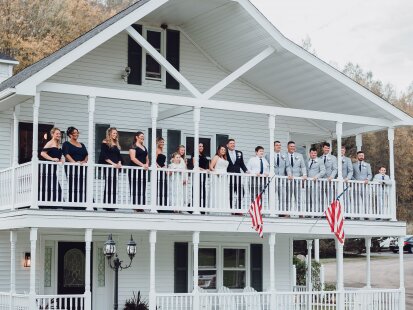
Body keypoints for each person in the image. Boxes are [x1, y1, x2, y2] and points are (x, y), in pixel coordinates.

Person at [62, 127, 88, 203]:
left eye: (77, 133)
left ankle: (83, 202)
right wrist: (75, 163)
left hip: (82, 167)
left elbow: (86, 155)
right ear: (70, 135)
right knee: (73, 185)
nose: (76, 134)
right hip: (72, 168)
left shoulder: (82, 144)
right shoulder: (66, 144)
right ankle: (73, 203)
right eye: (74, 133)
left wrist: (84, 161)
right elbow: (66, 154)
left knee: (83, 185)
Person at [265, 140, 292, 212]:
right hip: (272, 179)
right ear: (273, 146)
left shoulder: (284, 155)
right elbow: (266, 166)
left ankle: (282, 212)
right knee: (271, 196)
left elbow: (288, 166)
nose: (279, 146)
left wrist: (289, 173)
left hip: (282, 179)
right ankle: (271, 211)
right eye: (277, 145)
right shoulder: (268, 155)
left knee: (283, 196)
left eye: (280, 145)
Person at [39, 127, 64, 203]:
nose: (59, 135)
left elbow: (57, 155)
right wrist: (52, 159)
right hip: (47, 169)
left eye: (59, 134)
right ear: (52, 134)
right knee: (51, 186)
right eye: (57, 133)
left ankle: (56, 203)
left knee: (53, 185)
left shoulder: (58, 144)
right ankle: (49, 203)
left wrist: (60, 159)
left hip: (53, 169)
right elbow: (42, 153)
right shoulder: (50, 143)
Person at [99, 127, 122, 207]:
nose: (115, 135)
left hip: (116, 167)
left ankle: (113, 204)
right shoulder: (105, 142)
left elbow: (119, 156)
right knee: (109, 184)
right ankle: (107, 205)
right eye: (114, 133)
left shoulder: (116, 144)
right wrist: (113, 164)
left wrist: (119, 163)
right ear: (109, 133)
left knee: (114, 185)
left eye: (116, 133)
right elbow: (104, 155)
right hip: (109, 167)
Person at [128, 131, 149, 206]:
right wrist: (142, 165)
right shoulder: (133, 146)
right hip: (134, 170)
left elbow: (147, 158)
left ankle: (141, 205)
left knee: (142, 187)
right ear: (136, 137)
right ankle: (135, 205)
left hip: (142, 170)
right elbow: (133, 158)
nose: (142, 138)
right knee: (134, 187)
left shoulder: (144, 147)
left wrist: (146, 164)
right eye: (141, 137)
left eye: (143, 137)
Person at [226, 139, 248, 209]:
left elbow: (242, 164)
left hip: (238, 177)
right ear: (227, 145)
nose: (233, 145)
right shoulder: (224, 153)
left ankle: (238, 208)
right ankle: (231, 209)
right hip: (228, 177)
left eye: (233, 143)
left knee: (241, 192)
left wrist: (246, 171)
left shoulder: (239, 153)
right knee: (230, 193)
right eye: (231, 143)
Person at [286, 141, 307, 211]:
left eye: (294, 146)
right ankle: (287, 212)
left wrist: (304, 175)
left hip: (297, 180)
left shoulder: (299, 155)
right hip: (287, 180)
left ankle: (299, 211)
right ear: (288, 147)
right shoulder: (284, 155)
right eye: (291, 146)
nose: (293, 148)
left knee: (298, 196)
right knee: (287, 197)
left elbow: (303, 167)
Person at [210, 145, 230, 210]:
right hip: (217, 176)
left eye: (224, 150)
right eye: (222, 149)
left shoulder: (225, 158)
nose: (223, 151)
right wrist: (216, 172)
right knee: (218, 192)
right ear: (218, 150)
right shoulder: (216, 157)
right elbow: (211, 167)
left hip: (224, 177)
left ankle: (224, 209)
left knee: (223, 193)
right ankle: (216, 209)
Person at [193, 143, 209, 209]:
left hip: (203, 174)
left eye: (202, 146)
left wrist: (207, 169)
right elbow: (195, 165)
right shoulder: (195, 154)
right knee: (198, 189)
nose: (201, 147)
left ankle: (202, 208)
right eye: (199, 146)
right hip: (198, 174)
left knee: (203, 190)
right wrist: (204, 170)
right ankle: (194, 207)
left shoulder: (203, 155)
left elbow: (206, 164)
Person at [156, 137, 168, 207]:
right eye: (161, 142)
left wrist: (165, 167)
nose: (162, 143)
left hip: (163, 170)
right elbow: (154, 161)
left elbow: (162, 162)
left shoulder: (162, 150)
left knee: (164, 187)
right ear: (157, 142)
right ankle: (159, 205)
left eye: (163, 142)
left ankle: (164, 204)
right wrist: (160, 168)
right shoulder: (156, 150)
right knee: (160, 187)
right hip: (159, 171)